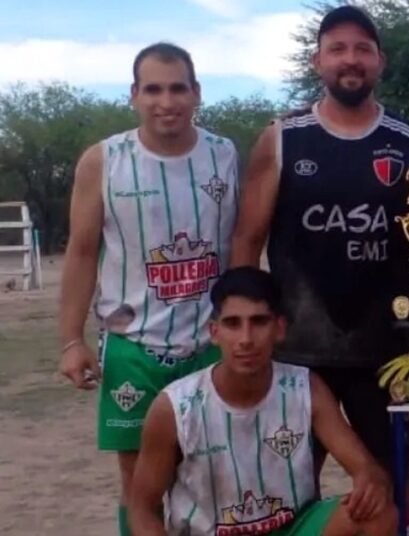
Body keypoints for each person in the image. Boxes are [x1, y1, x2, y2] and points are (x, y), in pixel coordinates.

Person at [229, 6, 409, 514]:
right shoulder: (283, 139)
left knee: (395, 481)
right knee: (279, 482)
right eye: (338, 49)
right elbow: (246, 241)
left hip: (383, 353)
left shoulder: (408, 144)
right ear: (317, 60)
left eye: (362, 50)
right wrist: (242, 328)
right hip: (296, 353)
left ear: (380, 61)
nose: (351, 60)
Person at [58, 42, 239, 536]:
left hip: (210, 345)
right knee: (140, 481)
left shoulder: (225, 156)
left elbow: (246, 242)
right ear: (134, 95)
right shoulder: (104, 161)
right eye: (153, 89)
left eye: (178, 87)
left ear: (196, 93)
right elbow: (80, 252)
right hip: (133, 347)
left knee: (218, 475)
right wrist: (71, 340)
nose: (167, 101)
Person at [129, 266, 396, 536]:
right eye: (233, 324)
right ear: (214, 331)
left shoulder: (306, 388)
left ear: (280, 329)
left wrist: (371, 481)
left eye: (259, 322)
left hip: (290, 528)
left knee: (377, 512)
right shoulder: (175, 407)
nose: (246, 339)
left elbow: (366, 469)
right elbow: (141, 507)